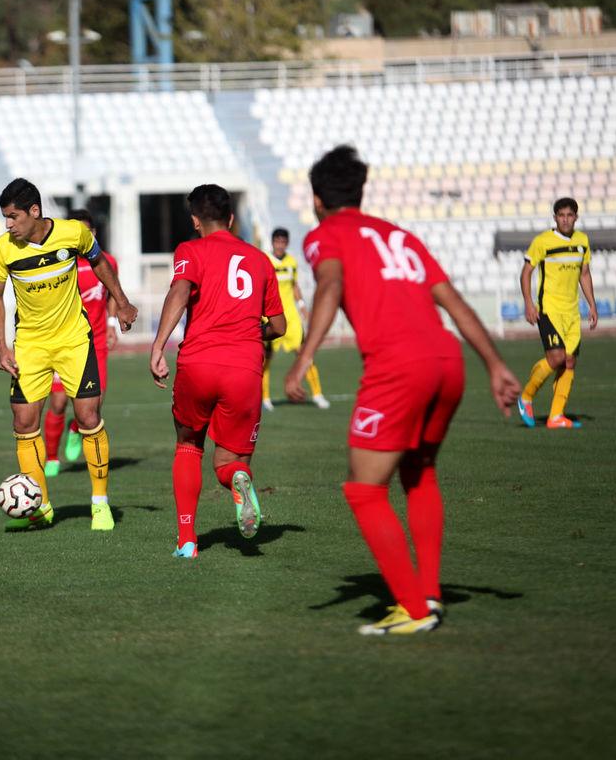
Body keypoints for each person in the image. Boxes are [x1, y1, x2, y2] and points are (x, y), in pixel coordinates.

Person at [283, 145, 520, 635]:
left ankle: (413, 610)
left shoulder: (324, 235)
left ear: (317, 199)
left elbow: (330, 286)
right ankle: (428, 594)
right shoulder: (400, 235)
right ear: (360, 193)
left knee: (364, 490)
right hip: (447, 361)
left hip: (398, 368)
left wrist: (304, 358)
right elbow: (453, 301)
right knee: (419, 472)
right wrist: (495, 364)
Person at [0, 179, 137, 532]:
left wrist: (122, 301)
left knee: (88, 416)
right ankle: (40, 506)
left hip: (74, 341)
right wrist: (1, 346)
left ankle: (99, 504)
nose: (8, 224)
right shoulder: (3, 248)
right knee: (24, 422)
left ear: (34, 211)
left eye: (13, 216)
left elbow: (100, 263)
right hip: (30, 346)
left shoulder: (73, 233)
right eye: (5, 217)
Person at [150, 184, 287, 558]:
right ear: (231, 218)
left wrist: (158, 345)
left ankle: (187, 541)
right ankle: (238, 479)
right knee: (229, 461)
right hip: (244, 368)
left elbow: (180, 292)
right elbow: (279, 326)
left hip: (198, 363)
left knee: (188, 444)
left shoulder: (190, 250)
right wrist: (249, 332)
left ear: (195, 220)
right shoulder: (260, 259)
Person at [44, 208, 119, 477]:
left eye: (84, 231)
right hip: (64, 344)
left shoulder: (107, 261)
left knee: (94, 406)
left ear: (93, 233)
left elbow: (113, 293)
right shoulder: (59, 263)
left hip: (95, 343)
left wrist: (111, 325)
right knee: (58, 402)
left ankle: (75, 428)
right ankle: (52, 458)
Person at [517, 197, 597, 429]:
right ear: (555, 218)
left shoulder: (582, 241)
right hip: (549, 309)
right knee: (557, 358)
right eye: (561, 215)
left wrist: (592, 304)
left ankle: (555, 416)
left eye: (569, 215)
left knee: (569, 361)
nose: (565, 219)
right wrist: (529, 303)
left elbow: (584, 274)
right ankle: (526, 397)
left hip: (572, 312)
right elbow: (526, 272)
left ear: (576, 217)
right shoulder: (542, 241)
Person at [261, 227, 329, 411]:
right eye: (277, 242)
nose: (280, 246)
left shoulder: (291, 262)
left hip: (290, 316)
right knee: (267, 357)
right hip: (270, 315)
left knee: (304, 353)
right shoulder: (265, 261)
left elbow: (294, 285)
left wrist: (301, 305)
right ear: (272, 243)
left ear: (287, 244)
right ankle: (265, 398)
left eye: (283, 242)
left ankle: (317, 394)